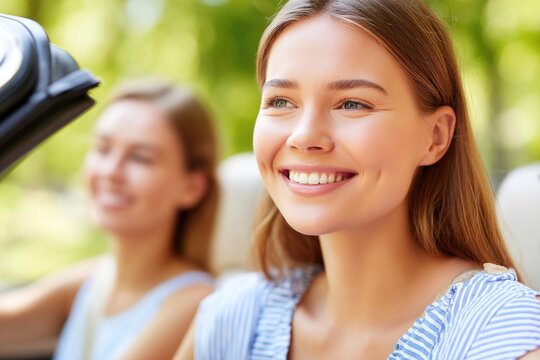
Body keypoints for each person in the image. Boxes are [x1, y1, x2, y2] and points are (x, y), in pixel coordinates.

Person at [175, 0, 540, 359]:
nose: (304, 136)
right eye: (281, 101)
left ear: (436, 138)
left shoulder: (498, 334)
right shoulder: (231, 320)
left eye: (352, 104)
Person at [0, 79, 219, 360]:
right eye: (103, 149)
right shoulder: (92, 281)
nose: (111, 171)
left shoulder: (193, 303)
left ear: (192, 188)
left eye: (140, 158)